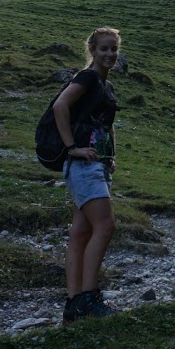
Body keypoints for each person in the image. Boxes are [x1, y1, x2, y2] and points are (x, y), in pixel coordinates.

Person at [53, 27, 121, 321]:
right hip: (83, 164)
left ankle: (73, 304)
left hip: (97, 164)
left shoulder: (106, 85)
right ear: (92, 50)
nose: (110, 54)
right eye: (104, 48)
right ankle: (89, 297)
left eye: (114, 49)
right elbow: (60, 105)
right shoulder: (88, 77)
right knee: (105, 226)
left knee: (81, 232)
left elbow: (106, 124)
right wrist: (72, 148)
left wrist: (111, 155)